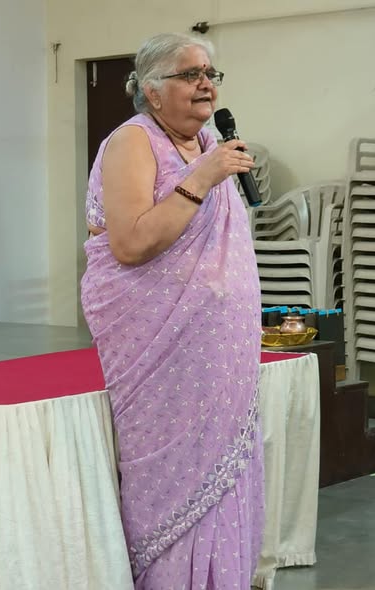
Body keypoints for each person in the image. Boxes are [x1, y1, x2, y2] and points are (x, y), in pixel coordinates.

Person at [81, 32, 264, 590]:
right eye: (190, 74)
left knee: (224, 467)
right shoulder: (132, 141)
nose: (205, 84)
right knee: (172, 475)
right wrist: (202, 177)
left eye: (210, 74)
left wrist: (207, 167)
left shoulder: (208, 140)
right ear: (153, 90)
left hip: (221, 346)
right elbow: (130, 244)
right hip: (159, 346)